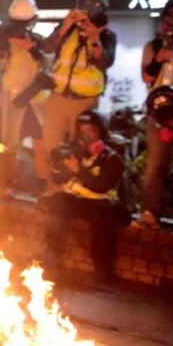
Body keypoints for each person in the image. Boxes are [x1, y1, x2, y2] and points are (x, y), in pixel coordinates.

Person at [35, 0, 117, 188]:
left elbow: (105, 62)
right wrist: (65, 27)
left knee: (79, 148)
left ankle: (75, 192)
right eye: (84, 3)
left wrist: (93, 37)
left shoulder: (106, 35)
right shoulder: (67, 29)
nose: (87, 9)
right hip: (58, 96)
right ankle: (52, 193)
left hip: (84, 102)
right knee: (51, 146)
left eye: (92, 4)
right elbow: (46, 47)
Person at [42, 110, 128, 282]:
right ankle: (52, 261)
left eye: (91, 131)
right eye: (81, 132)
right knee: (56, 208)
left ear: (101, 133)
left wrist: (78, 171)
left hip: (99, 203)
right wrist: (59, 165)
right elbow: (58, 179)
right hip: (74, 200)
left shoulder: (112, 159)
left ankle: (103, 269)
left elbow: (101, 185)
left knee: (104, 221)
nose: (85, 136)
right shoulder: (74, 153)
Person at [138, 0, 173, 229]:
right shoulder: (154, 45)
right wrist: (158, 59)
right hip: (160, 115)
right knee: (156, 164)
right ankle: (149, 214)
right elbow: (147, 78)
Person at [0, 0, 46, 152]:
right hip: (14, 97)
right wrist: (3, 49)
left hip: (34, 96)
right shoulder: (4, 41)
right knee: (10, 141)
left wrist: (31, 48)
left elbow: (46, 63)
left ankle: (41, 174)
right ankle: (8, 174)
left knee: (42, 139)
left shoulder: (38, 41)